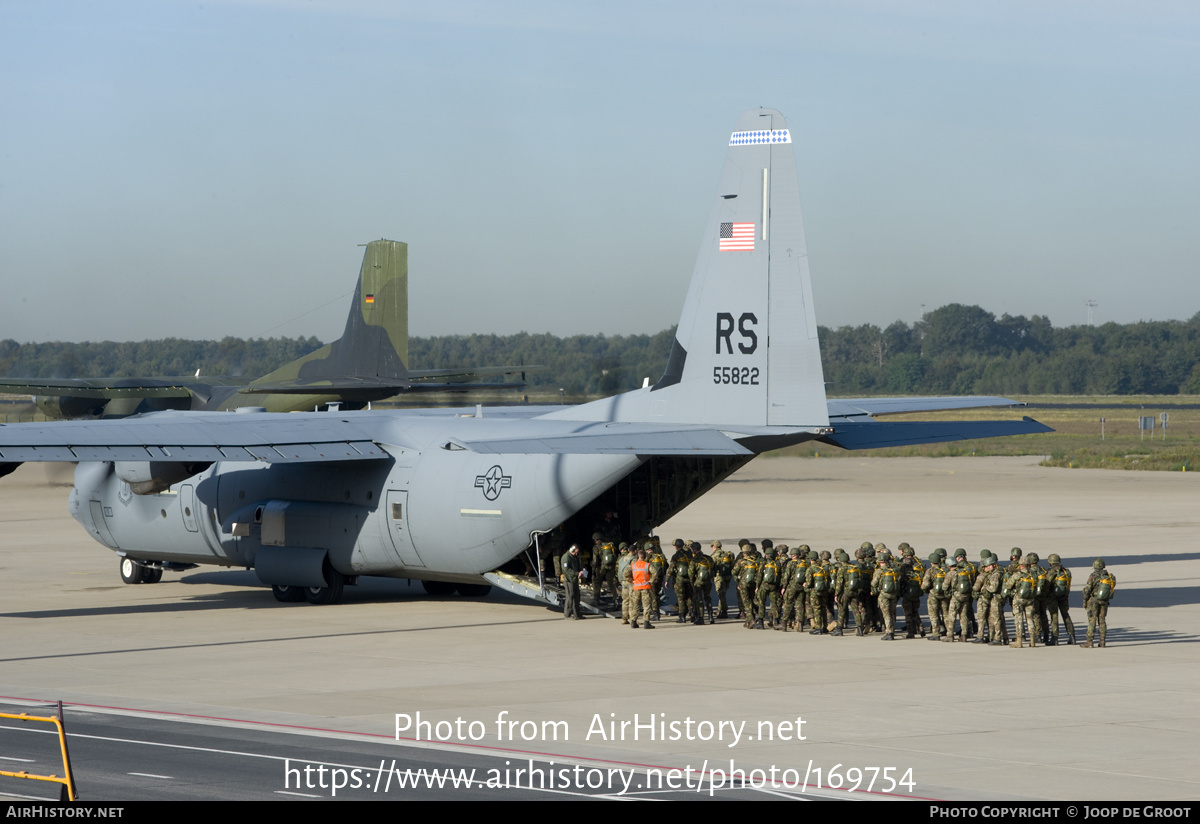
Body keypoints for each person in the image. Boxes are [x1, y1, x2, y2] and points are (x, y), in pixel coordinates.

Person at [1082, 558, 1116, 648]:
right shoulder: (1108, 576)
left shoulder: (1093, 576)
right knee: (1102, 620)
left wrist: (1085, 601)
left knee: (1092, 621)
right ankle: (1102, 641)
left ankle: (1089, 641)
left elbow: (1087, 590)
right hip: (1104, 601)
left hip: (1093, 601)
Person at [625, 549, 655, 629]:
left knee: (636, 605)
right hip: (645, 587)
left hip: (636, 588)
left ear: (638, 556)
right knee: (646, 606)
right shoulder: (647, 565)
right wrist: (650, 581)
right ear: (645, 557)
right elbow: (655, 573)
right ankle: (646, 622)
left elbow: (625, 574)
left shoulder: (633, 565)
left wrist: (631, 580)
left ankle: (633, 622)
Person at [561, 544, 583, 620]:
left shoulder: (574, 557)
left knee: (577, 597)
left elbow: (577, 566)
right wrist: (576, 573)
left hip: (574, 579)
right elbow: (566, 570)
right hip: (569, 580)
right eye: (575, 552)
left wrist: (580, 571)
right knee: (570, 597)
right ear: (572, 550)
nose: (576, 554)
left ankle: (577, 614)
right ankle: (567, 614)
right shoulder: (566, 557)